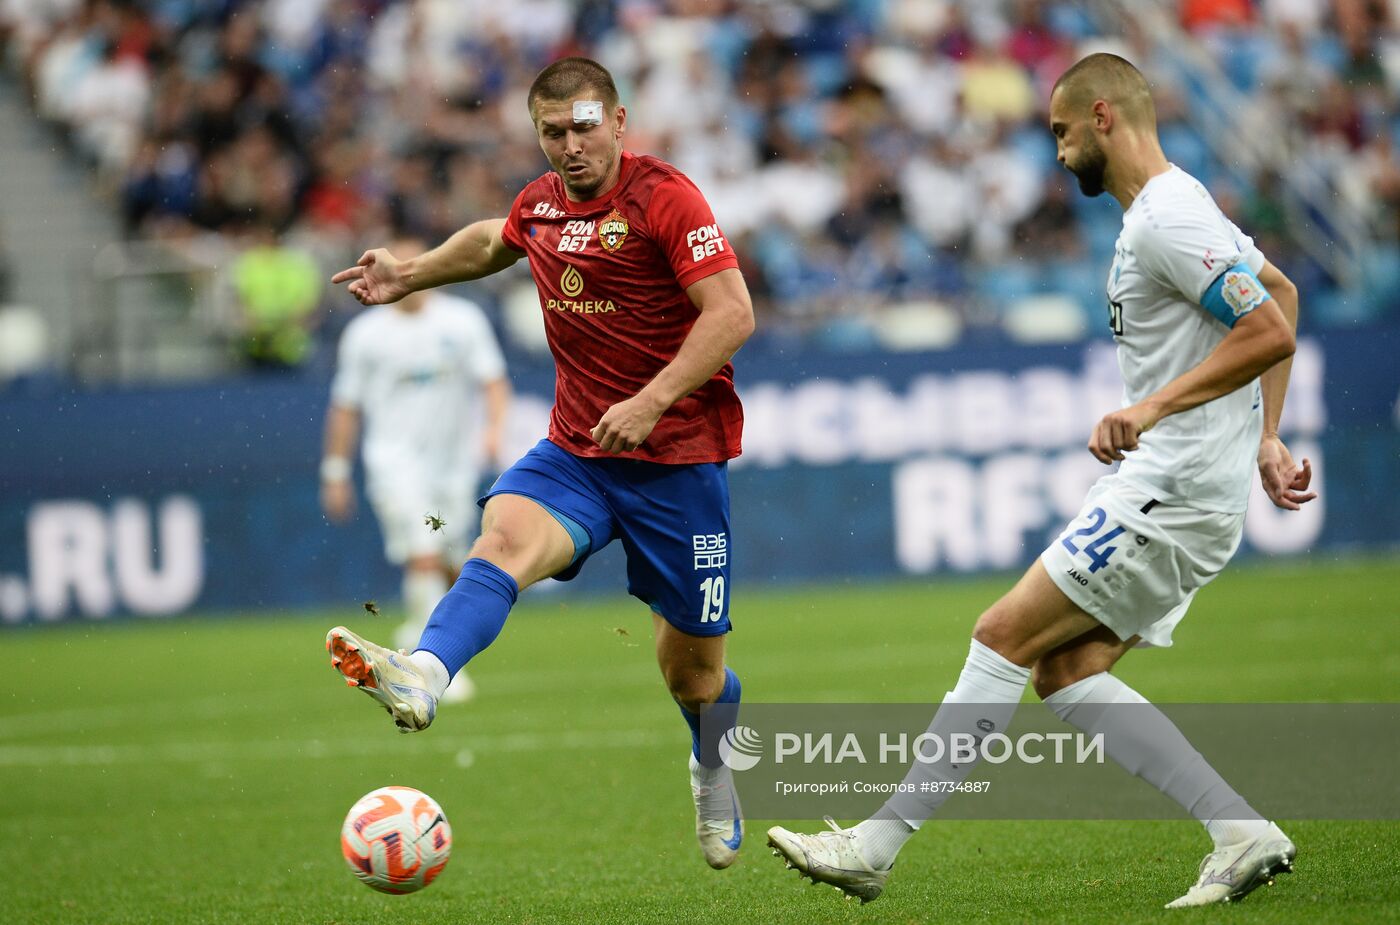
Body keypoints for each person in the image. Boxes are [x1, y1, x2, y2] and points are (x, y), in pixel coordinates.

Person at [767, 53, 1316, 909]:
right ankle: (1240, 830)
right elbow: (1277, 288)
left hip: (1172, 485)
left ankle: (874, 845)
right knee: (1067, 670)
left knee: (1000, 634)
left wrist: (1154, 408)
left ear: (1103, 116)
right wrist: (1269, 436)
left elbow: (1269, 325)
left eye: (1061, 132)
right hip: (1191, 487)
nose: (1056, 153)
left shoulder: (1166, 217)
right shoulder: (1179, 202)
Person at [324, 57, 756, 869]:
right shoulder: (541, 204)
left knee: (694, 679)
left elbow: (732, 312)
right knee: (502, 538)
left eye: (584, 127)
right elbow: (498, 238)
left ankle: (715, 767)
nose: (570, 146)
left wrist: (653, 399)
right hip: (577, 451)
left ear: (619, 123)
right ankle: (425, 669)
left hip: (677, 465)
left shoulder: (667, 198)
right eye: (552, 133)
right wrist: (410, 272)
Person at [320, 232, 511, 703]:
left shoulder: (462, 321)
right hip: (395, 462)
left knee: (452, 561)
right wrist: (335, 470)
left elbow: (493, 381)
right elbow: (346, 407)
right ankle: (435, 670)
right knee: (424, 552)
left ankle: (422, 625)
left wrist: (493, 430)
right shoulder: (365, 334)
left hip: (453, 464)